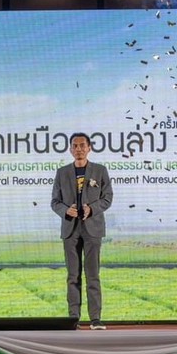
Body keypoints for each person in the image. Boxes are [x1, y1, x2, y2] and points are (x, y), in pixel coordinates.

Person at [51, 132, 113, 328]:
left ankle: (95, 319)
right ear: (70, 149)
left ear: (89, 148)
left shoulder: (100, 171)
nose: (78, 149)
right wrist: (65, 210)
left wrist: (92, 208)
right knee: (72, 276)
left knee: (93, 275)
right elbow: (55, 201)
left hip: (93, 228)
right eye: (75, 146)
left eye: (82, 145)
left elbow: (107, 198)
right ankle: (73, 319)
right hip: (70, 229)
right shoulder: (62, 173)